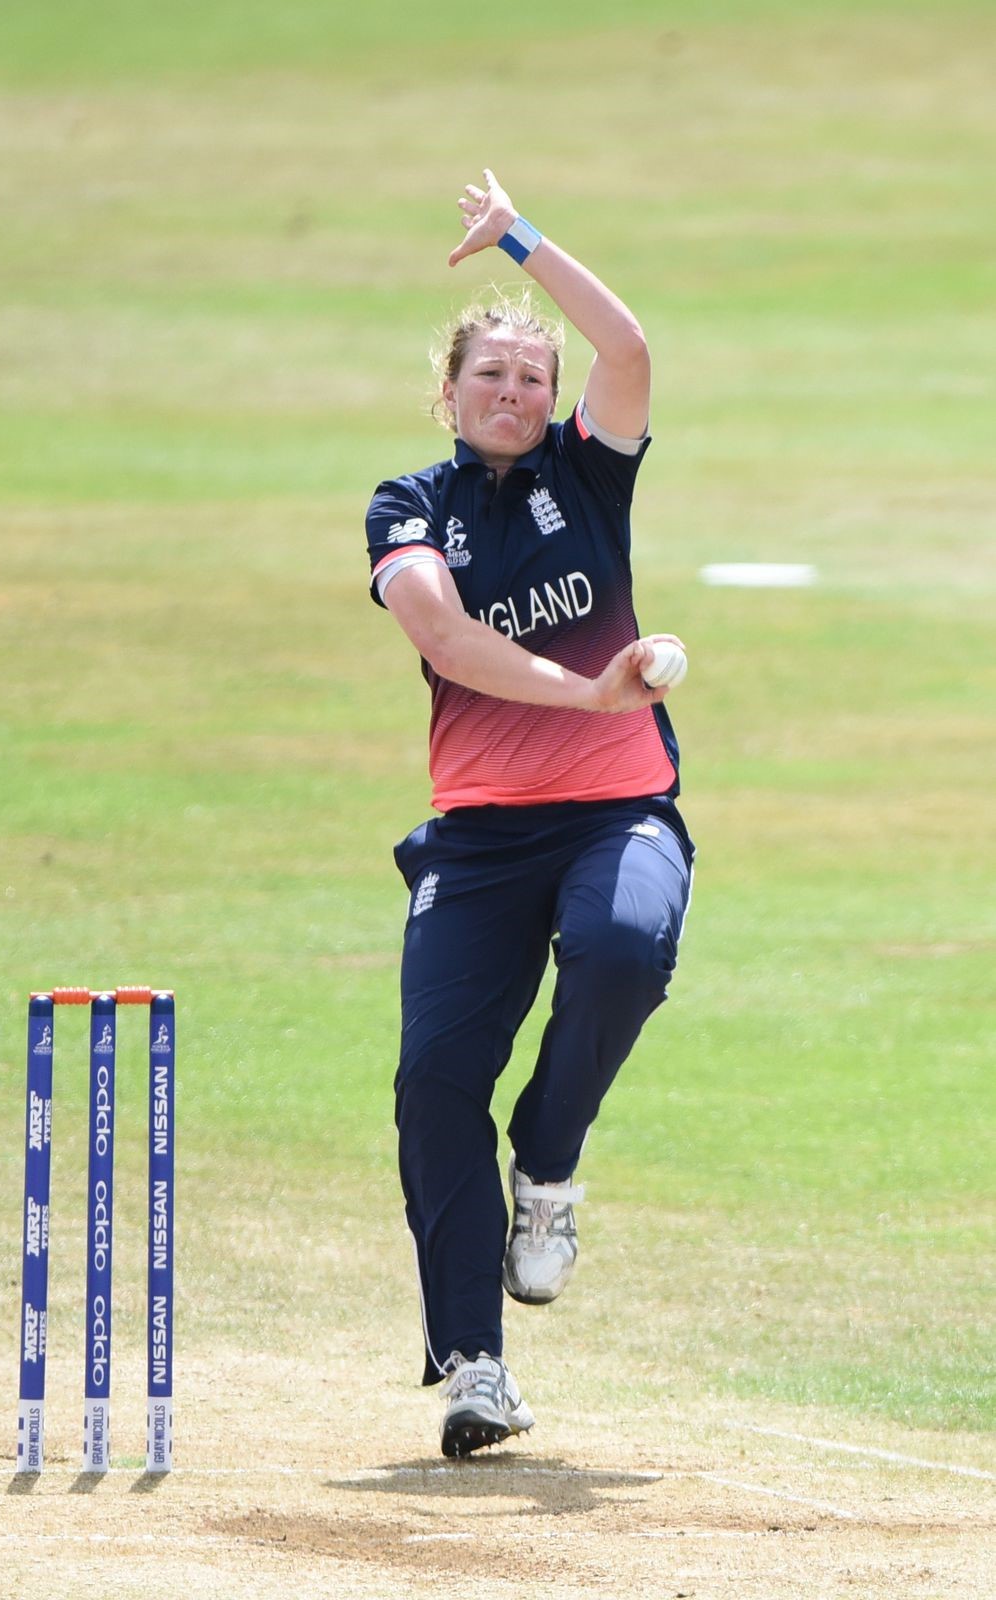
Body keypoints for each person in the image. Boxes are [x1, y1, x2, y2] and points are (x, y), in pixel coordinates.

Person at [365, 169, 694, 1458]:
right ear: (447, 397)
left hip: (621, 809)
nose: (512, 395)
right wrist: (590, 688)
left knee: (623, 950)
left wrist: (519, 239)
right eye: (488, 378)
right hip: (482, 834)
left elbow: (631, 345)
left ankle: (546, 1165)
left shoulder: (589, 478)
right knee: (434, 1080)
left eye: (528, 380)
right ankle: (472, 1369)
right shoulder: (408, 506)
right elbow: (444, 634)